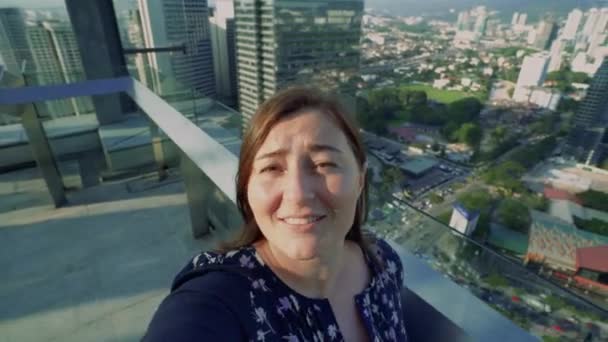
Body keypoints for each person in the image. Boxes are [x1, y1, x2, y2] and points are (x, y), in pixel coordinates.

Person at [143, 87, 408, 341]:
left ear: (360, 179)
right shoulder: (222, 296)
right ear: (247, 186)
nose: (298, 193)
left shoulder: (384, 264)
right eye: (272, 168)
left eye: (324, 164)